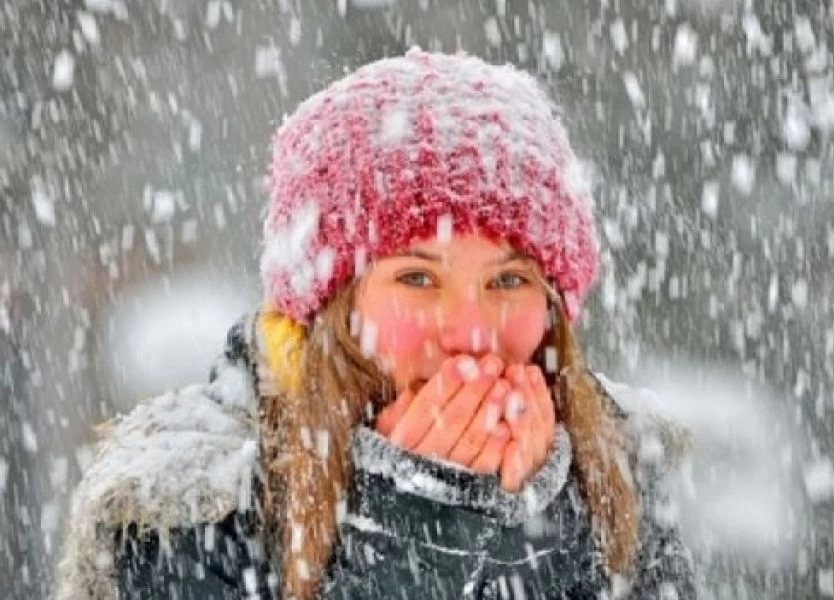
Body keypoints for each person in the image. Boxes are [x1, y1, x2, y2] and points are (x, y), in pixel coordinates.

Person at [55, 49, 697, 600]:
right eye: (418, 278)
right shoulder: (188, 514)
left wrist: (536, 528)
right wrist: (413, 536)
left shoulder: (616, 479)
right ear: (330, 309)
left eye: (509, 281)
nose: (472, 334)